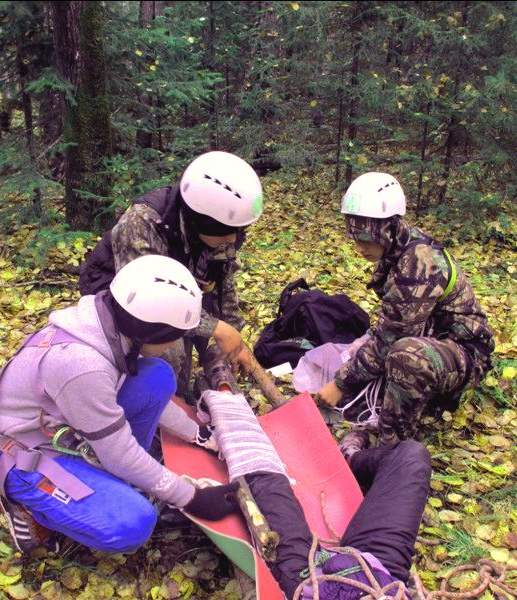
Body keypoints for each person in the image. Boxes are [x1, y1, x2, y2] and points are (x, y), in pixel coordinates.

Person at [0, 255, 239, 554]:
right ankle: (27, 506)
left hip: (61, 422)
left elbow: (146, 400)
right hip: (20, 452)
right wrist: (191, 497)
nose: (171, 346)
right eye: (171, 338)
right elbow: (119, 454)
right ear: (150, 332)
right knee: (131, 524)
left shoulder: (112, 323)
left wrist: (198, 434)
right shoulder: (83, 365)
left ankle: (108, 483)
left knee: (158, 377)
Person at [314, 172, 495, 450]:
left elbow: (391, 340)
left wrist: (340, 384)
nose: (360, 248)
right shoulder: (399, 248)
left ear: (388, 229)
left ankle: (390, 445)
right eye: (355, 237)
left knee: (404, 356)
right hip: (434, 340)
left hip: (466, 354)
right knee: (376, 350)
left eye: (367, 238)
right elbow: (390, 324)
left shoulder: (418, 263)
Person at [198, 389, 431, 599]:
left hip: (312, 584)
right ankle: (352, 458)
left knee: (264, 480)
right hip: (382, 572)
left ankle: (226, 405)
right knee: (411, 455)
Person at [78, 151, 263, 397]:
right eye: (226, 231)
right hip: (126, 297)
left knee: (196, 359)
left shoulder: (223, 233)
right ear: (200, 221)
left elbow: (223, 284)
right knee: (169, 352)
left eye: (238, 231)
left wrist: (234, 336)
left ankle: (185, 401)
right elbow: (151, 303)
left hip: (182, 288)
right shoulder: (143, 221)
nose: (232, 239)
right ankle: (150, 407)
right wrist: (216, 328)